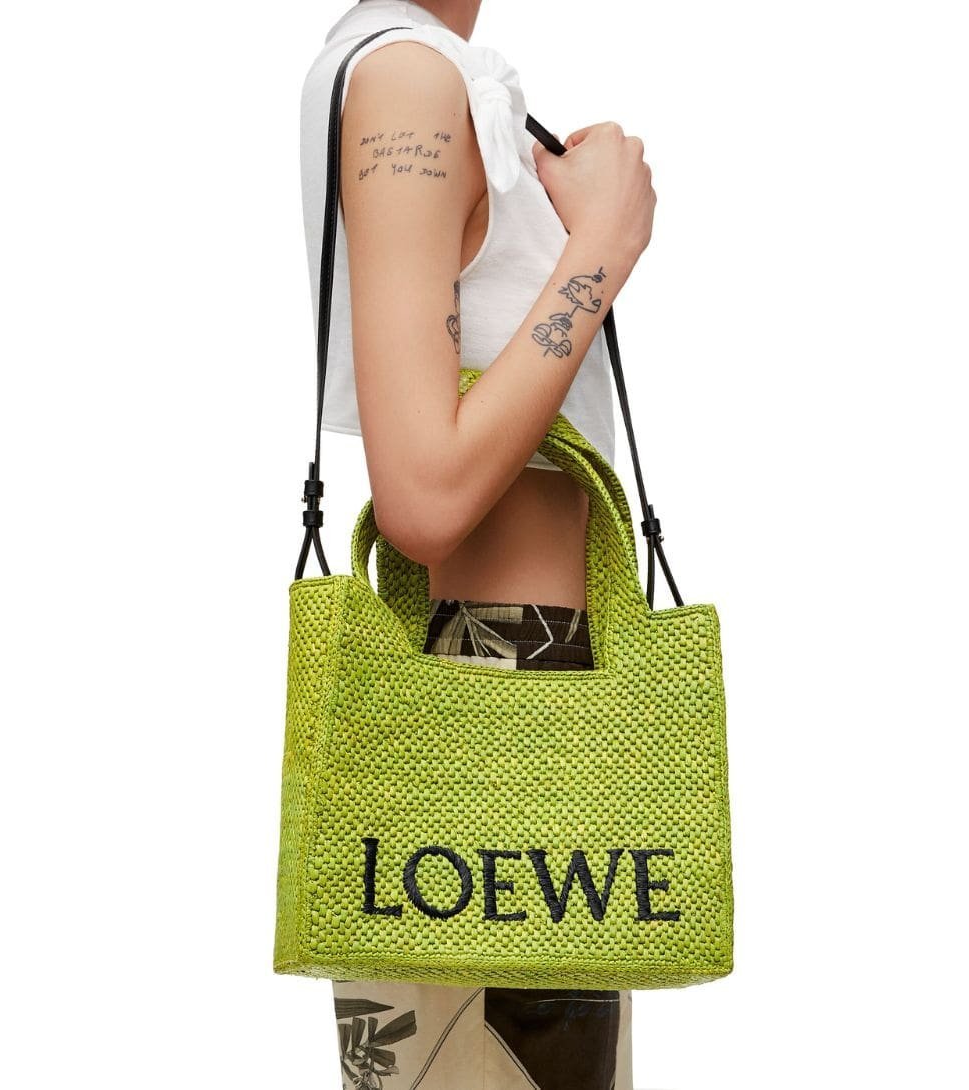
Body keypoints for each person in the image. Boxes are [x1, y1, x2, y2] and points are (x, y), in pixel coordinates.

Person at [299, 2, 656, 1086]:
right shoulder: (407, 81)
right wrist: (601, 247)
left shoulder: (423, 71)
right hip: (498, 699)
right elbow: (425, 492)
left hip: (520, 699)